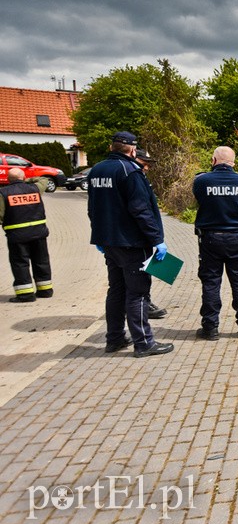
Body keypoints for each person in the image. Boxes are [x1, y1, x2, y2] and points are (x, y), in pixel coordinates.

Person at [88, 131, 174, 358]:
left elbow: (93, 207)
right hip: (132, 243)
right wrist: (157, 240)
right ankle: (144, 343)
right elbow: (140, 210)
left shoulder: (96, 170)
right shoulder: (130, 171)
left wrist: (100, 236)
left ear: (111, 147)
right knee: (138, 293)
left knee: (116, 290)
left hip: (109, 242)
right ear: (133, 150)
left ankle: (114, 338)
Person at [193, 146, 238, 340]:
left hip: (210, 238)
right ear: (233, 163)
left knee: (211, 282)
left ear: (213, 160)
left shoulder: (201, 181)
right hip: (237, 238)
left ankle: (210, 328)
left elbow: (199, 199)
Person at [0, 168, 53, 302]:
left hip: (17, 236)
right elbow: (44, 179)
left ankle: (26, 295)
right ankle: (45, 291)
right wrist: (25, 181)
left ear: (7, 179)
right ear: (23, 178)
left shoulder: (3, 193)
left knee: (20, 264)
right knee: (41, 261)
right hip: (38, 233)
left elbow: (0, 215)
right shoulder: (35, 188)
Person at [134, 148, 167, 320]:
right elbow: (142, 211)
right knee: (138, 276)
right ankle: (142, 307)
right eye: (144, 163)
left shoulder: (140, 178)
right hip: (137, 239)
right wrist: (156, 239)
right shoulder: (131, 177)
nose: (147, 167)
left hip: (143, 237)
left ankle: (145, 302)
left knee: (142, 274)